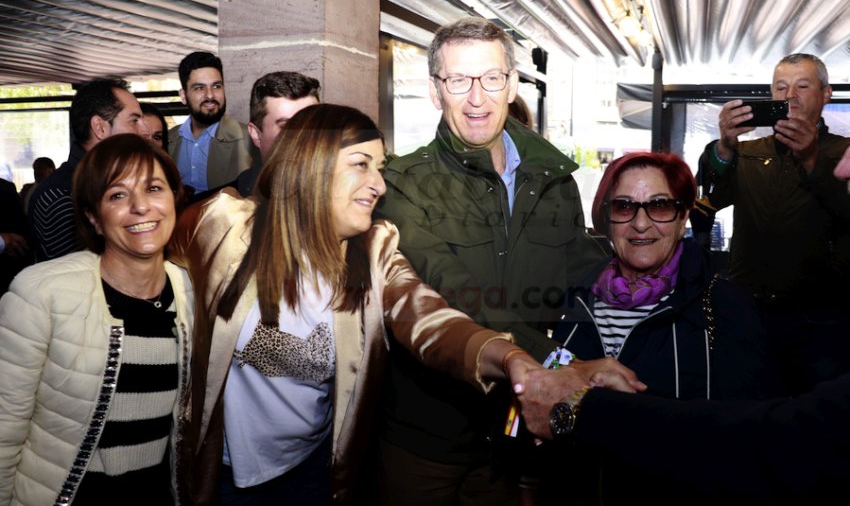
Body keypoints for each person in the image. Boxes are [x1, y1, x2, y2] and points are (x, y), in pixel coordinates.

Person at [168, 104, 616, 506]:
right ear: (311, 167)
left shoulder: (375, 251)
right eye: (361, 165)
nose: (379, 185)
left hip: (313, 470)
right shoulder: (221, 225)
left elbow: (432, 321)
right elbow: (147, 274)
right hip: (219, 470)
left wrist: (514, 358)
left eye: (379, 168)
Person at [374, 17, 607, 505]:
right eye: (459, 80)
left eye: (491, 78)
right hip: (426, 437)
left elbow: (582, 285)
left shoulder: (554, 182)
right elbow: (457, 297)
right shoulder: (403, 184)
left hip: (514, 437)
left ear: (512, 84)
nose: (476, 98)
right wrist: (563, 365)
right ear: (437, 91)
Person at [544, 152, 785, 504]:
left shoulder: (724, 305)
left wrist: (621, 407)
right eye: (624, 207)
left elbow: (757, 434)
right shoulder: (576, 299)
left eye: (659, 206)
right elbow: (541, 396)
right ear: (607, 217)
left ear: (684, 214)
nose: (641, 224)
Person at [0, 134, 193, 506]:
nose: (141, 207)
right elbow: (4, 429)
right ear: (93, 217)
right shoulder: (43, 293)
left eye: (154, 188)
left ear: (174, 198)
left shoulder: (190, 292)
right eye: (117, 195)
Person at [700, 53, 850, 396]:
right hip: (747, 313)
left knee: (815, 424)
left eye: (802, 85)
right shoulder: (749, 151)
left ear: (826, 94)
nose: (790, 96)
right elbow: (710, 198)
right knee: (742, 409)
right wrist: (724, 147)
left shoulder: (844, 152)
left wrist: (811, 158)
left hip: (819, 322)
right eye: (781, 87)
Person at [29, 78, 151, 261]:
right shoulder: (59, 195)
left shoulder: (117, 180)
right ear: (100, 128)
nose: (146, 131)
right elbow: (74, 276)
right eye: (134, 120)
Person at [188, 71, 320, 203]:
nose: (302, 135)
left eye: (311, 124)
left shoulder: (337, 195)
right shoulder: (213, 208)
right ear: (256, 134)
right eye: (286, 127)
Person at [167, 51, 255, 193]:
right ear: (183, 96)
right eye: (200, 88)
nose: (210, 95)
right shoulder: (166, 140)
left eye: (216, 86)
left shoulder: (251, 140)